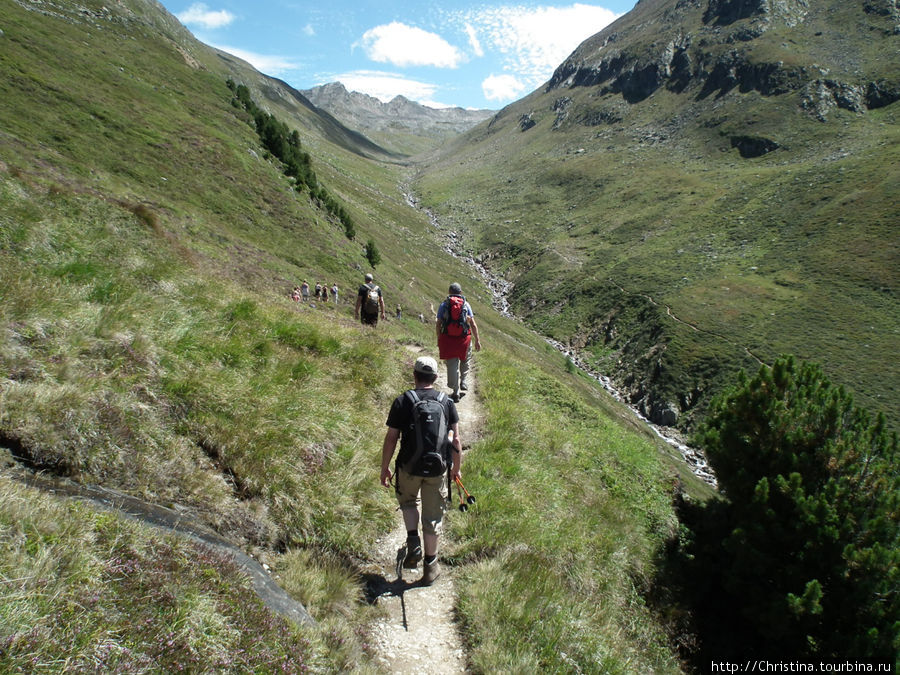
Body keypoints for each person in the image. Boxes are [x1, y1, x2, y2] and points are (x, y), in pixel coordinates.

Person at [380, 356, 461, 585]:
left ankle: (413, 539)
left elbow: (391, 438)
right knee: (433, 517)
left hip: (408, 466)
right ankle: (430, 566)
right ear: (435, 378)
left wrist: (385, 467)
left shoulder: (403, 401)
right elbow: (456, 441)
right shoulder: (447, 403)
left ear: (414, 375)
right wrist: (456, 468)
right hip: (437, 469)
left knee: (408, 502)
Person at [436, 282, 481, 402]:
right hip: (464, 339)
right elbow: (473, 323)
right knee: (465, 360)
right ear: (461, 292)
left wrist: (439, 338)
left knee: (452, 365)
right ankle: (464, 381)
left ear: (449, 292)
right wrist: (477, 340)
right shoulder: (466, 304)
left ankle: (455, 392)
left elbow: (438, 323)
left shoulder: (444, 304)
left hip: (448, 339)